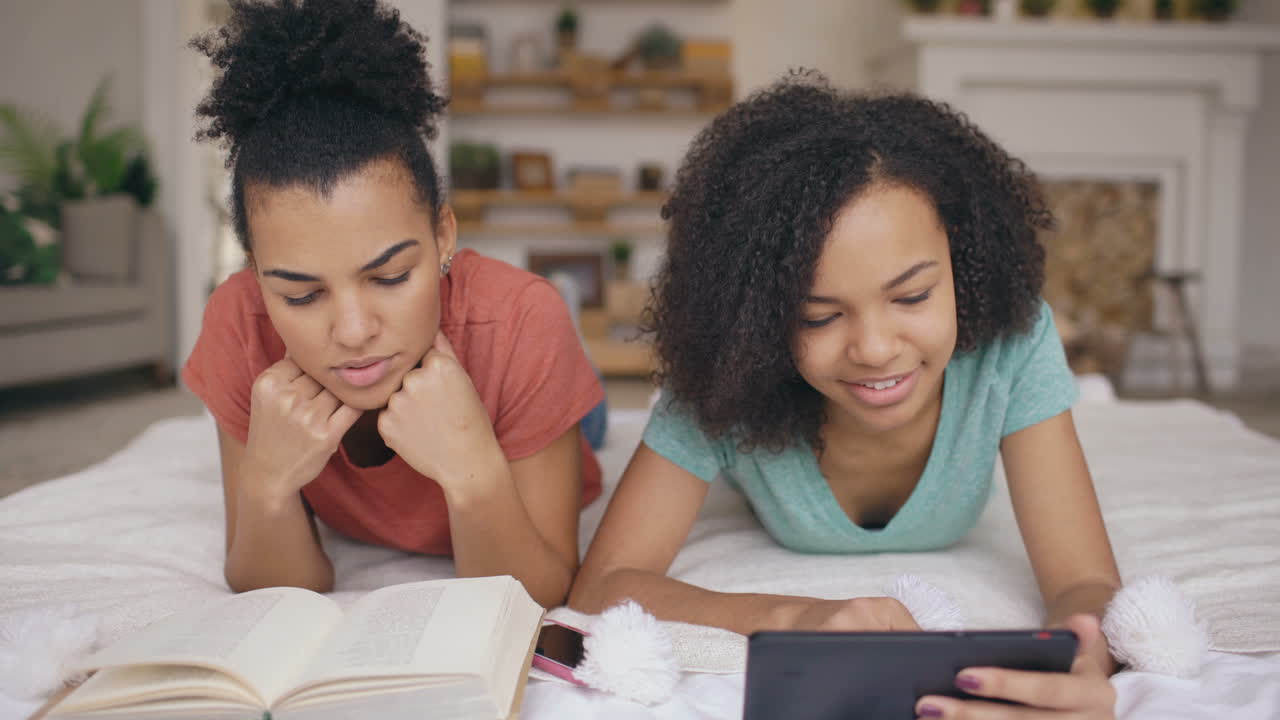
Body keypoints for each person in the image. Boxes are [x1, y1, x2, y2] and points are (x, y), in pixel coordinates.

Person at [570, 72, 1121, 717]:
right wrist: (792, 615)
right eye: (819, 316)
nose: (875, 348)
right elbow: (601, 587)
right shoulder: (725, 376)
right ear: (761, 319)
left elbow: (1085, 581)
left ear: (964, 264)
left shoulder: (1013, 342)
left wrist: (1082, 655)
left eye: (912, 296)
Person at [183, 0, 604, 610]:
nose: (354, 332)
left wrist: (475, 472)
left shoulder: (523, 322)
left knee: (575, 395)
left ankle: (569, 365)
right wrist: (268, 487)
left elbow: (540, 590)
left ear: (443, 238)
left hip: (513, 347)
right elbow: (269, 587)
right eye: (300, 294)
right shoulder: (238, 321)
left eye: (390, 276)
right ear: (255, 276)